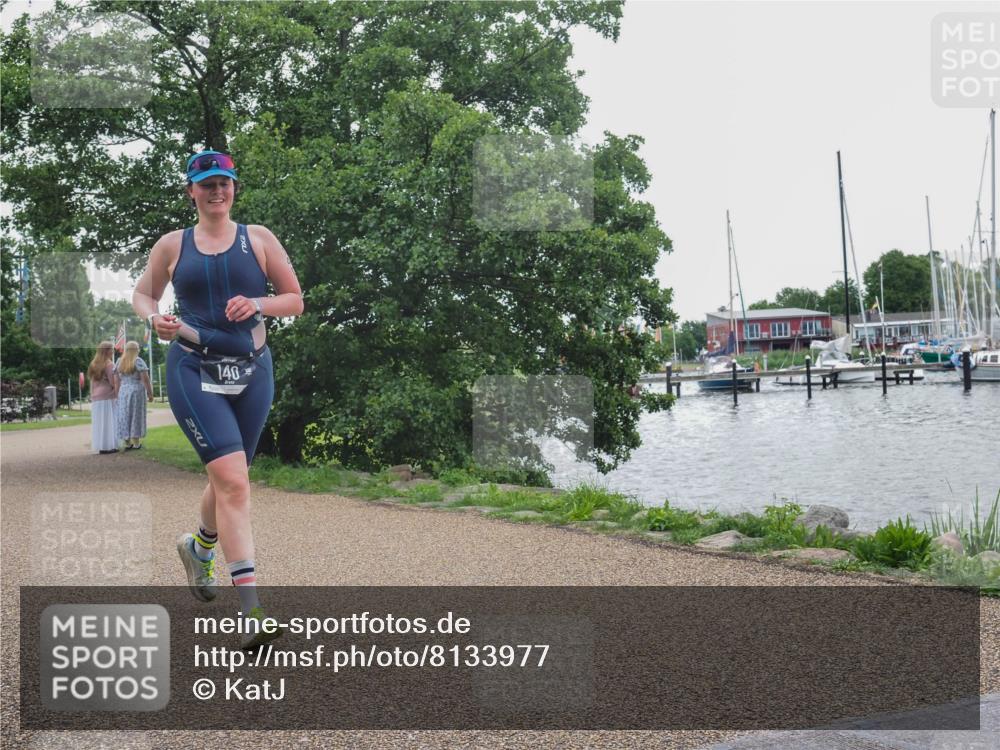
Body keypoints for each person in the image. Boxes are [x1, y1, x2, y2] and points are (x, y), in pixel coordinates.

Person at [132, 149, 303, 649]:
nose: (216, 190)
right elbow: (145, 295)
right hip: (193, 368)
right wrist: (152, 318)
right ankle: (252, 613)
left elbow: (295, 299)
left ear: (234, 189)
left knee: (231, 477)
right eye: (206, 183)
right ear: (191, 191)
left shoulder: (259, 239)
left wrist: (258, 302)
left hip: (253, 370)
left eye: (224, 182)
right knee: (231, 479)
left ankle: (199, 545)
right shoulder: (171, 245)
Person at [114, 340, 153, 449]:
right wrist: (150, 394)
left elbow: (116, 381)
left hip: (123, 391)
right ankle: (136, 443)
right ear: (135, 350)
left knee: (124, 415)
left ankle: (127, 442)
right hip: (136, 391)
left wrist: (117, 395)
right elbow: (145, 379)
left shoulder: (119, 362)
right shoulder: (138, 361)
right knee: (136, 415)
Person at [88, 341, 119, 454]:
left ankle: (102, 446)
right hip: (108, 396)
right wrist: (117, 394)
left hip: (96, 397)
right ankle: (110, 446)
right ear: (107, 351)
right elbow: (113, 382)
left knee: (99, 423)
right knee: (110, 422)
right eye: (111, 349)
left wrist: (91, 395)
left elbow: (91, 382)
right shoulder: (109, 365)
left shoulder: (93, 364)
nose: (113, 351)